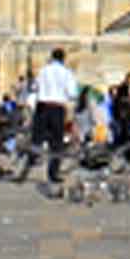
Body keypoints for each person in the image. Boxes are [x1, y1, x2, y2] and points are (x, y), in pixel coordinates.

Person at [33, 48, 77, 183]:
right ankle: (53, 172)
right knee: (57, 142)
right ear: (63, 58)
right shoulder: (66, 73)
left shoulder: (43, 70)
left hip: (42, 106)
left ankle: (28, 164)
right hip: (57, 107)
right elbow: (72, 93)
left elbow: (35, 87)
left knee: (37, 138)